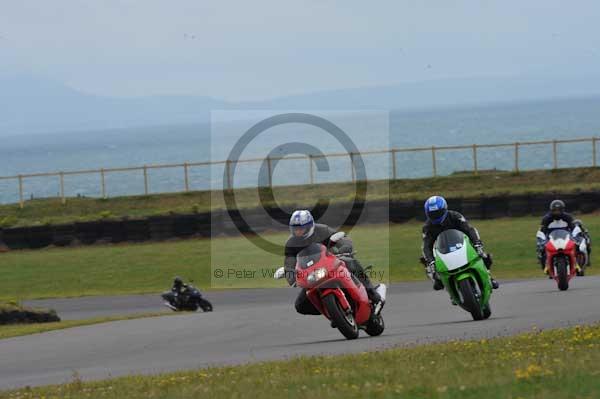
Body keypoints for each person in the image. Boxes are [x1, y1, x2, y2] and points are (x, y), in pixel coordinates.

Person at [283, 210, 382, 316]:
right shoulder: (291, 243)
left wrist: (344, 249)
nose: (298, 232)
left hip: (332, 263)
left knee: (350, 262)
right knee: (300, 306)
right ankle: (331, 311)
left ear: (309, 226)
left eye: (301, 228)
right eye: (295, 229)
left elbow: (342, 238)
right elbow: (289, 262)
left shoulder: (322, 230)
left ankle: (372, 293)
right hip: (313, 275)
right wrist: (292, 278)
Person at [421, 195, 499, 291]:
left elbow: (470, 230)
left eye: (438, 213)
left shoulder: (455, 216)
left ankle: (489, 277)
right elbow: (426, 245)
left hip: (462, 244)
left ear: (445, 209)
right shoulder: (427, 227)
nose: (436, 216)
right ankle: (439, 281)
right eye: (432, 214)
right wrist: (431, 261)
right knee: (428, 265)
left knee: (484, 256)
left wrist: (477, 243)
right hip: (441, 249)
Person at [536, 200, 576, 270]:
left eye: (559, 210)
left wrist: (575, 237)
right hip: (550, 237)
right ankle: (544, 264)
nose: (557, 212)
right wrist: (542, 240)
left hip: (566, 237)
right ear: (551, 210)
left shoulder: (568, 217)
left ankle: (577, 263)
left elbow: (573, 229)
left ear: (562, 210)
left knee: (577, 245)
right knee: (542, 248)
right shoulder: (546, 219)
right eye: (555, 210)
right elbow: (542, 231)